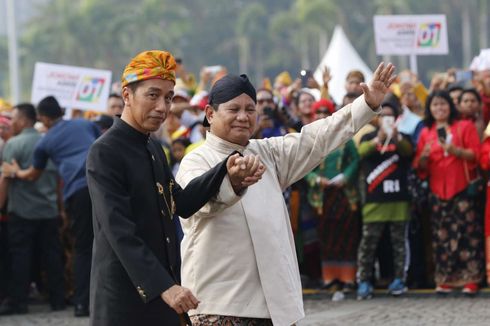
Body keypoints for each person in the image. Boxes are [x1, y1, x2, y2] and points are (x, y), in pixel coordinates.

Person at [176, 62, 396, 325]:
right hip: (220, 303)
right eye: (234, 109)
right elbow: (194, 204)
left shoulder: (267, 153)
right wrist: (231, 182)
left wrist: (365, 106)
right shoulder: (196, 160)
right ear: (210, 114)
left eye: (250, 109)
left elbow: (318, 137)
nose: (243, 117)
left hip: (275, 304)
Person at [86, 50, 264, 326]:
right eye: (153, 95)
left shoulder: (154, 147)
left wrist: (224, 169)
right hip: (126, 295)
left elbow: (181, 203)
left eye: (168, 98)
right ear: (126, 95)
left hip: (164, 290)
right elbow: (119, 230)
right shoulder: (105, 151)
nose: (162, 107)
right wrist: (163, 286)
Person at [2, 95, 100, 316]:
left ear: (43, 118)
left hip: (78, 192)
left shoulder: (45, 142)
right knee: (108, 243)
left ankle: (82, 304)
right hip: (104, 185)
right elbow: (98, 147)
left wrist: (14, 172)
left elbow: (32, 174)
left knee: (83, 248)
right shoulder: (85, 124)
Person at [413, 90, 484, 295]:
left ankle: (471, 278)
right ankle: (445, 278)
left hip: (461, 189)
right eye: (435, 105)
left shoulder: (464, 126)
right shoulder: (427, 131)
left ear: (450, 107)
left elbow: (476, 155)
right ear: (429, 109)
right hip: (437, 191)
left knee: (468, 235)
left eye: (443, 104)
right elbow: (420, 166)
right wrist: (424, 157)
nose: (439, 108)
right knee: (441, 237)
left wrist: (455, 150)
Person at [0, 103, 65, 315]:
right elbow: (57, 179)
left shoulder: (13, 144)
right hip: (48, 210)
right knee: (53, 256)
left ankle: (19, 302)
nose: (13, 123)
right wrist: (59, 207)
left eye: (15, 119)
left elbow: (6, 178)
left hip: (21, 212)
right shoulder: (47, 141)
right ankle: (58, 300)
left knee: (21, 257)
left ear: (24, 120)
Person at [356, 102, 413, 300]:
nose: (386, 118)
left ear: (396, 119)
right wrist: (378, 139)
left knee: (399, 243)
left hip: (399, 200)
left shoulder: (403, 137)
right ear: (377, 118)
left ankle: (399, 279)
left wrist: (395, 137)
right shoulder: (368, 136)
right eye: (383, 115)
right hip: (374, 200)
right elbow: (361, 152)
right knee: (368, 244)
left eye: (390, 115)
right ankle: (364, 281)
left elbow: (408, 152)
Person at [305, 99, 360, 299]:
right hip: (321, 197)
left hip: (343, 195)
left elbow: (355, 160)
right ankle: (330, 279)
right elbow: (302, 167)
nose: (321, 116)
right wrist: (316, 179)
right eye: (317, 113)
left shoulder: (345, 136)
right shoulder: (309, 139)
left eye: (325, 112)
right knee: (326, 239)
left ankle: (347, 279)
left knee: (347, 237)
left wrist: (345, 177)